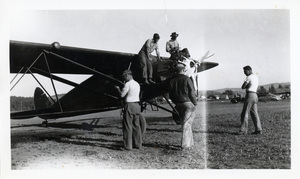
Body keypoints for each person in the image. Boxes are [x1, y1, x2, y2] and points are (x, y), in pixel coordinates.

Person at [168, 63, 197, 150]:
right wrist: (194, 103)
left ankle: (190, 143)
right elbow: (191, 92)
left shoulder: (172, 81)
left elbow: (171, 95)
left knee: (185, 124)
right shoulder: (187, 79)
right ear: (184, 70)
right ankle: (185, 145)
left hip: (178, 105)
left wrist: (176, 102)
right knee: (187, 125)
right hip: (187, 104)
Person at [115, 70, 143, 150]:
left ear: (127, 75)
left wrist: (117, 89)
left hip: (129, 105)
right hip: (137, 105)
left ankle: (128, 146)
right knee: (136, 125)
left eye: (124, 77)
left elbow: (122, 95)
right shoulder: (137, 84)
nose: (124, 79)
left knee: (127, 126)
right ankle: (138, 144)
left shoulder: (127, 84)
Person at [237, 65, 262, 135]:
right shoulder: (255, 77)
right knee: (254, 113)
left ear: (249, 70)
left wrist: (247, 86)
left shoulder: (249, 77)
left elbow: (243, 86)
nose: (244, 73)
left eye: (245, 71)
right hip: (255, 95)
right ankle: (258, 129)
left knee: (244, 113)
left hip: (250, 95)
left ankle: (243, 130)